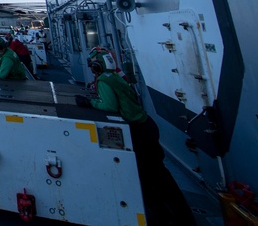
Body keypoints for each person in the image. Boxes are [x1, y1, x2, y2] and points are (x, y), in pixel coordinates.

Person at [75, 61, 195, 225]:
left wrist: (90, 102)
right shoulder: (116, 76)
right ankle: (179, 215)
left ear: (97, 66)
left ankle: (165, 217)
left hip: (138, 131)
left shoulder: (104, 80)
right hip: (146, 125)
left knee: (148, 176)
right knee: (158, 175)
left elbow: (110, 105)